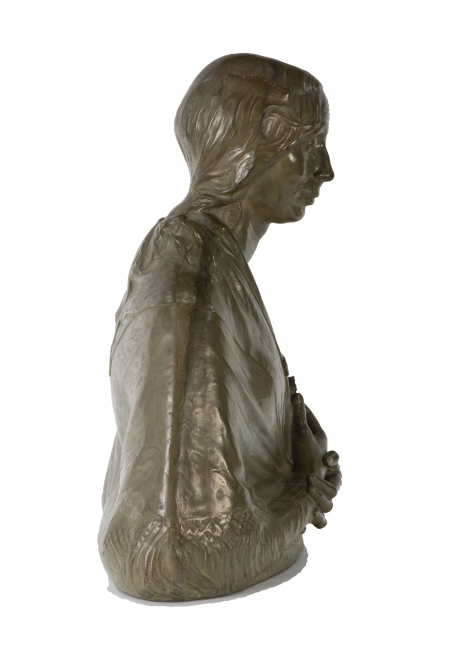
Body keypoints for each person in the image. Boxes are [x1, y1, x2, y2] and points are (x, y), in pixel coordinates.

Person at [99, 54, 342, 601]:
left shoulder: (209, 260)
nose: (326, 170)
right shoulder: (190, 285)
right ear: (253, 151)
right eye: (310, 145)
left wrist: (293, 463)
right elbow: (170, 556)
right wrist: (303, 499)